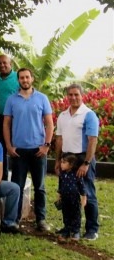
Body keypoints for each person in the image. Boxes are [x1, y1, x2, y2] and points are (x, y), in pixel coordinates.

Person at [3, 68, 53, 231]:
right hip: (19, 151)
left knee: (40, 186)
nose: (24, 80)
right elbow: (6, 124)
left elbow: (49, 123)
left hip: (38, 150)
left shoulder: (42, 98)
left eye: (27, 77)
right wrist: (9, 146)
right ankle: (14, 220)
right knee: (17, 186)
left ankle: (41, 219)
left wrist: (46, 145)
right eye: (21, 78)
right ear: (18, 80)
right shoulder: (11, 99)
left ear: (32, 79)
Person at [54, 84, 100, 240]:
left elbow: (93, 140)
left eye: (76, 94)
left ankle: (92, 229)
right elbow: (59, 139)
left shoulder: (89, 115)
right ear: (67, 96)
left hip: (82, 158)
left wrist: (86, 163)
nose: (73, 97)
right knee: (68, 194)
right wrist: (58, 160)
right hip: (67, 158)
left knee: (87, 192)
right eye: (70, 95)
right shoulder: (62, 116)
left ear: (82, 95)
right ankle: (69, 227)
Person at [0, 54, 19, 181]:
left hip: (16, 119)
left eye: (4, 63)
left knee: (16, 147)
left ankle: (18, 177)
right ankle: (3, 177)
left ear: (10, 64)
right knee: (2, 147)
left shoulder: (18, 78)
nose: (2, 65)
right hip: (2, 118)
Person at [55, 154, 87, 241]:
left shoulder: (76, 175)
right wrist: (59, 196)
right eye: (61, 162)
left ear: (71, 164)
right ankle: (67, 230)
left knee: (76, 214)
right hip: (65, 198)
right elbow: (60, 186)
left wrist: (84, 198)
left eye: (64, 162)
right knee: (66, 214)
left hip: (74, 199)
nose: (61, 164)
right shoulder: (62, 174)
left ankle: (76, 231)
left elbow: (82, 187)